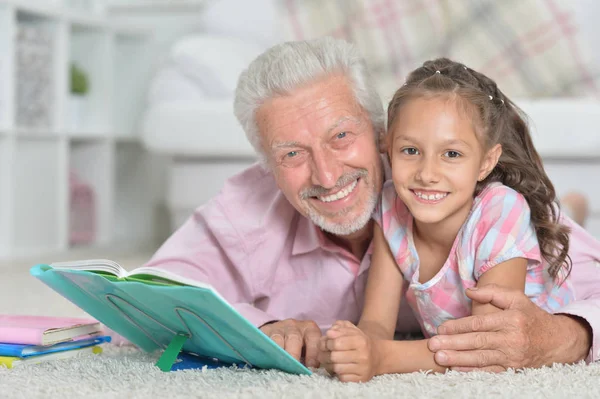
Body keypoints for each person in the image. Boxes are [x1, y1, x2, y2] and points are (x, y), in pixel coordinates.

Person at [143, 37, 600, 372]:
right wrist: (264, 327)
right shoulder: (246, 210)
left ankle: (574, 208)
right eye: (292, 154)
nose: (327, 175)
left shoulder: (484, 203)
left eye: (341, 136)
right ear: (268, 164)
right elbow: (148, 293)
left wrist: (565, 336)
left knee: (560, 223)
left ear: (380, 132)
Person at [317, 57, 600, 382]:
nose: (426, 174)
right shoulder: (392, 201)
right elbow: (376, 322)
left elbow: (486, 348)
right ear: (388, 148)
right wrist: (355, 346)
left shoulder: (501, 210)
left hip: (552, 288)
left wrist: (381, 357)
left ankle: (569, 211)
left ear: (486, 163)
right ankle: (571, 207)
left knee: (565, 245)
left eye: (451, 154)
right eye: (410, 150)